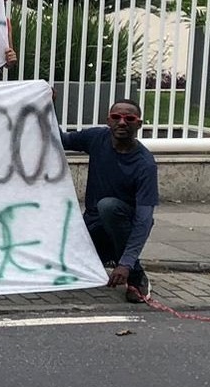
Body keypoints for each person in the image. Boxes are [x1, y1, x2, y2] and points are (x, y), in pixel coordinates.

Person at [61, 98, 158, 302]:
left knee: (108, 206)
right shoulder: (97, 138)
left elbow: (144, 219)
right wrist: (47, 104)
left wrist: (127, 262)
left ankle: (135, 275)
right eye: (116, 117)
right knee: (60, 258)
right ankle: (106, 258)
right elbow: (60, 139)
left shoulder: (145, 164)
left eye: (129, 118)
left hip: (122, 225)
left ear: (139, 124)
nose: (122, 122)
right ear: (108, 121)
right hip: (93, 224)